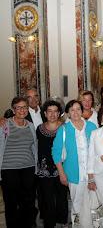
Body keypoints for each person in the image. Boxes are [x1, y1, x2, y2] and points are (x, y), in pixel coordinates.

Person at [52, 100, 97, 226]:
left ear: (82, 111)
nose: (75, 112)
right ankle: (77, 225)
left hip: (92, 173)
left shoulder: (92, 127)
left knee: (93, 203)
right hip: (73, 173)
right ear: (67, 113)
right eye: (72, 110)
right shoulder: (64, 130)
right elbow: (56, 153)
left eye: (78, 109)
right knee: (77, 203)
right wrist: (61, 173)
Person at [0, 97, 38, 227]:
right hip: (9, 169)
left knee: (27, 202)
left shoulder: (31, 126)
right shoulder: (5, 124)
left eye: (25, 107)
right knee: (11, 202)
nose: (22, 110)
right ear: (13, 109)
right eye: (19, 107)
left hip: (28, 168)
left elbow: (34, 147)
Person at [36, 100, 68, 228]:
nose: (52, 114)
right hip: (44, 170)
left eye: (55, 111)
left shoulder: (65, 128)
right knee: (46, 198)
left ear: (59, 113)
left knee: (61, 197)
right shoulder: (39, 129)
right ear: (45, 113)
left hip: (61, 169)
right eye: (49, 111)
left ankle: (62, 222)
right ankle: (49, 223)